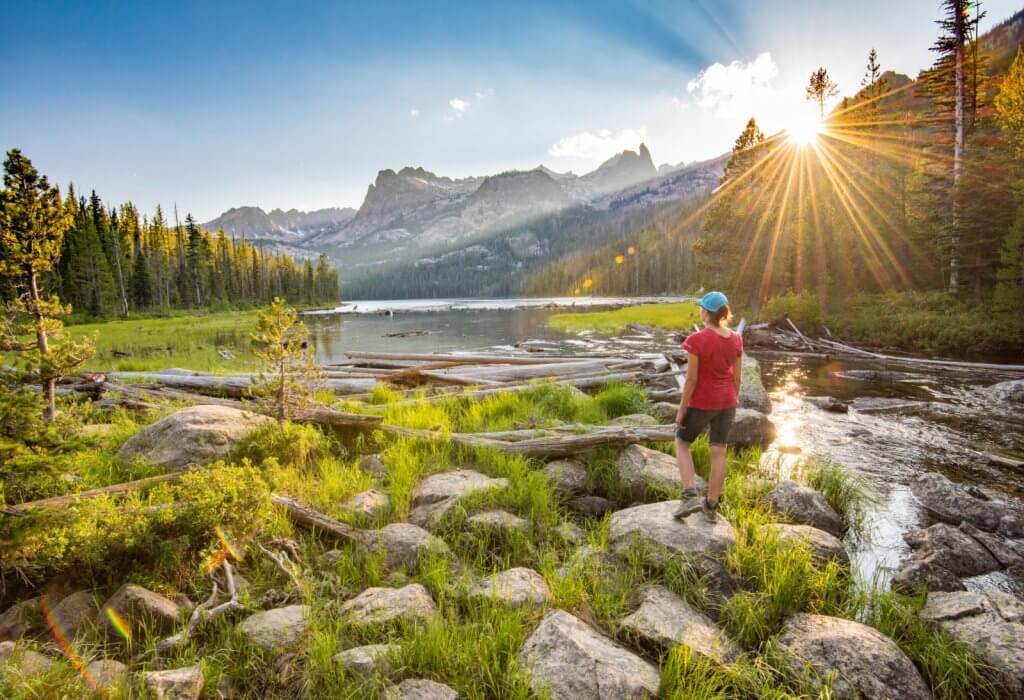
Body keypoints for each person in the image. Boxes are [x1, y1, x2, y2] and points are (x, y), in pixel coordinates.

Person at [674, 291, 743, 522]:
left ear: (706, 312)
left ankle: (689, 495)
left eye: (701, 308)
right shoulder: (736, 338)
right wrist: (734, 399)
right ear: (723, 313)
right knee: (719, 452)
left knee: (682, 442)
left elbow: (691, 380)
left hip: (704, 401)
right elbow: (737, 378)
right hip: (727, 402)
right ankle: (711, 506)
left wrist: (682, 408)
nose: (700, 311)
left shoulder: (697, 340)